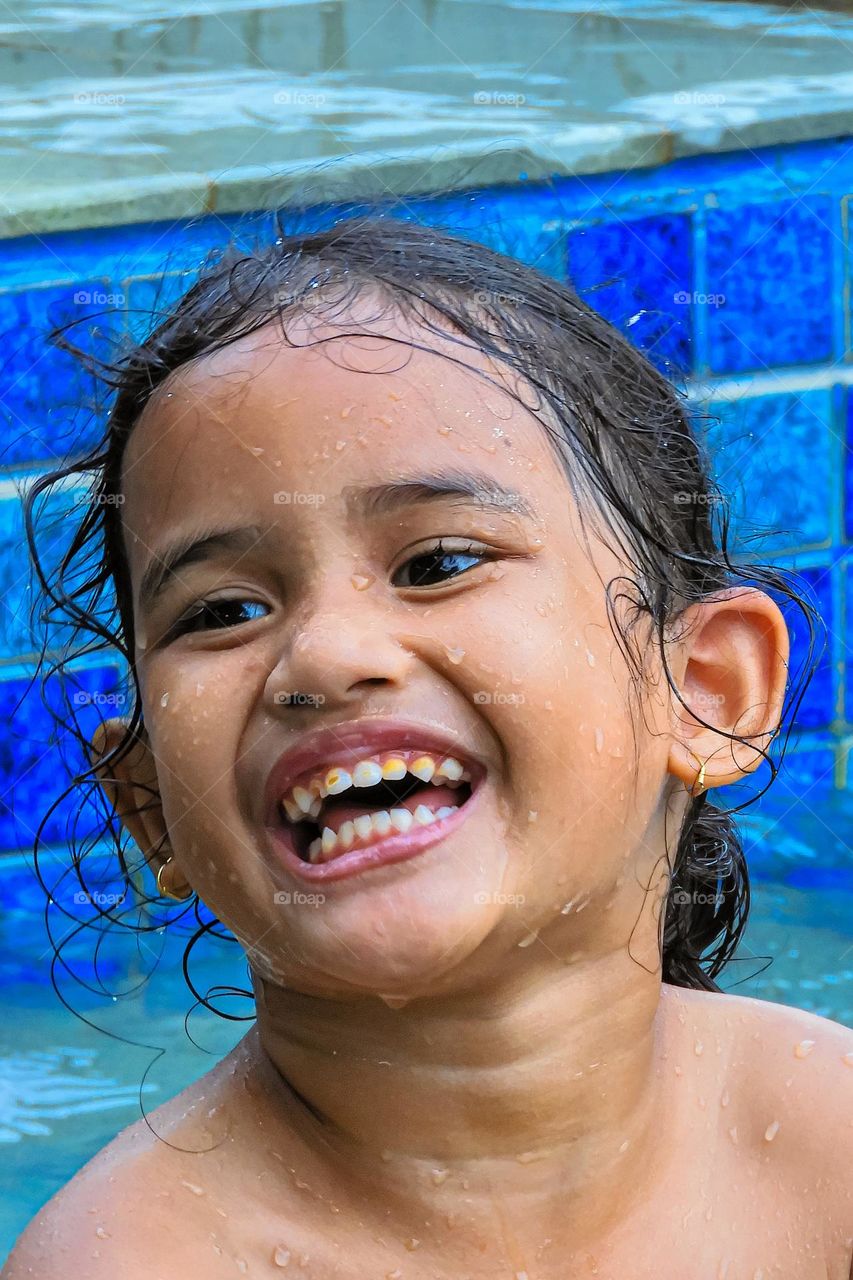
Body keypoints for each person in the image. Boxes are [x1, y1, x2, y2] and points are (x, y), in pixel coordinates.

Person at [6, 216, 852, 1278]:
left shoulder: (825, 1154)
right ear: (148, 806)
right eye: (222, 611)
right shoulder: (130, 1259)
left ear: (702, 689)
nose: (325, 654)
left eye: (438, 561)